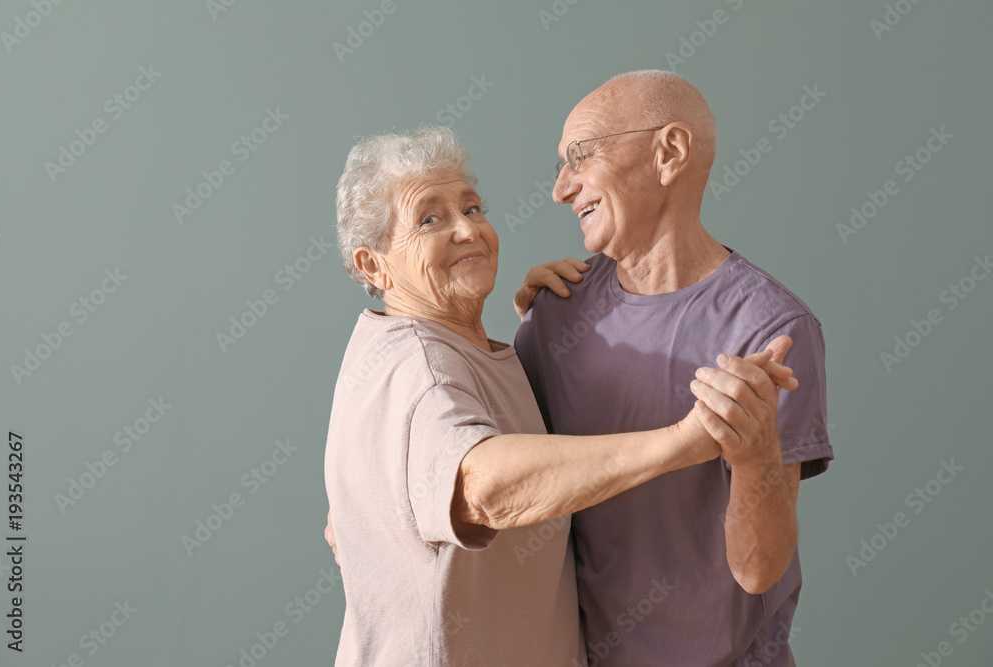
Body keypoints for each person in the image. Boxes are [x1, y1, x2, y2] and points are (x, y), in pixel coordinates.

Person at [323, 125, 797, 666]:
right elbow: (482, 485)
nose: (466, 230)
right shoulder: (420, 365)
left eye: (473, 209)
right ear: (371, 264)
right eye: (429, 219)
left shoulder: (453, 350)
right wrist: (685, 441)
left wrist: (553, 330)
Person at [511, 70, 835, 666]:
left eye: (580, 156)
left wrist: (754, 451)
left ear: (669, 153)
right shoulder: (556, 315)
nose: (561, 188)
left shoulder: (771, 330)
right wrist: (374, 502)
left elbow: (759, 570)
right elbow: (489, 473)